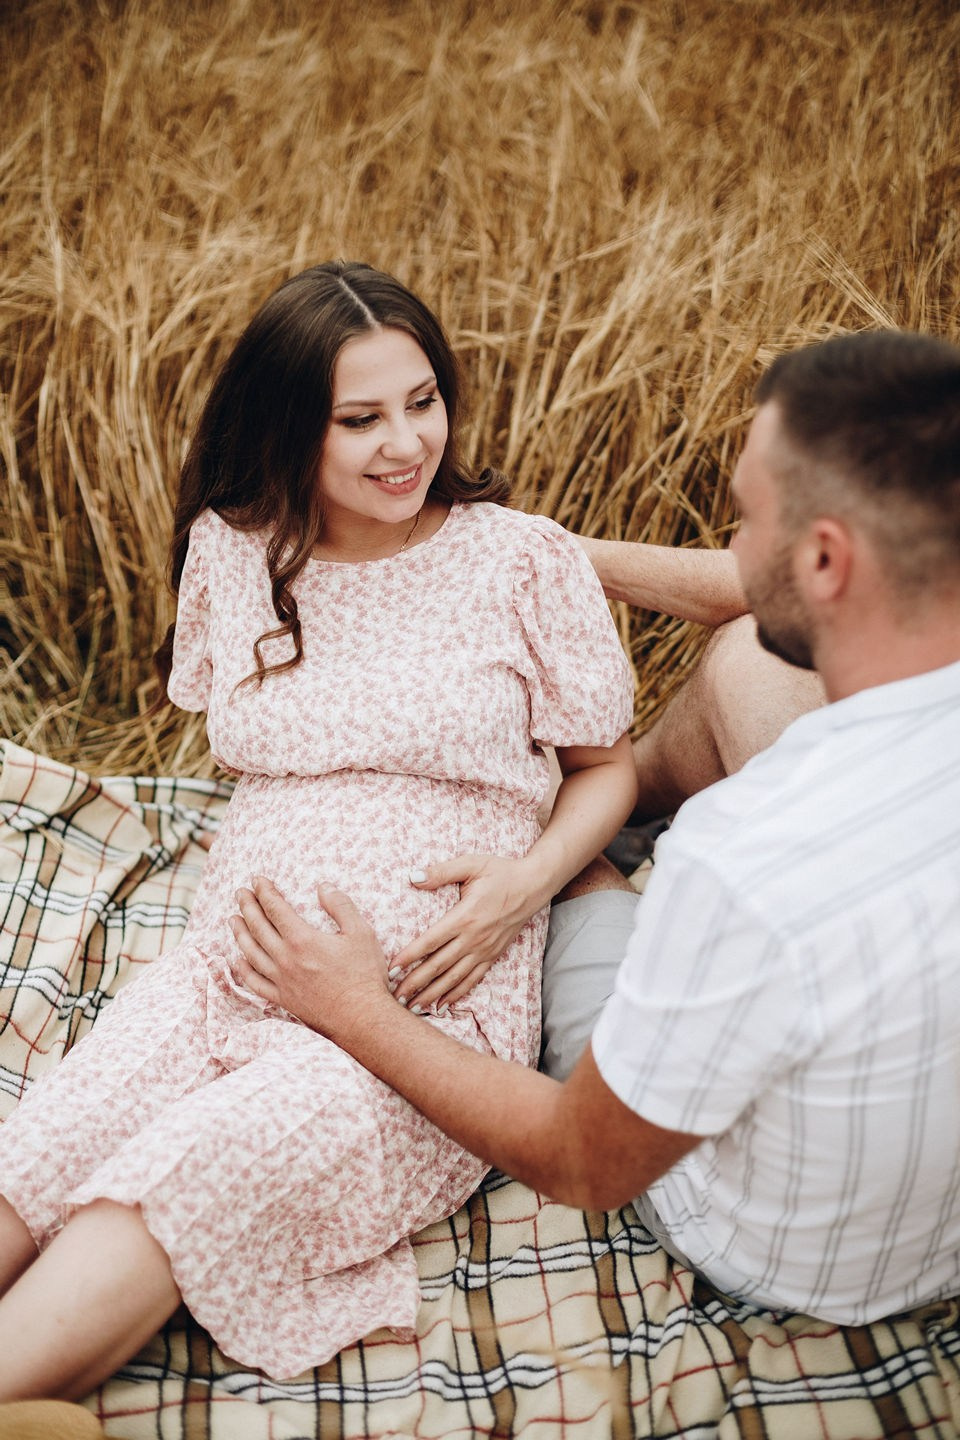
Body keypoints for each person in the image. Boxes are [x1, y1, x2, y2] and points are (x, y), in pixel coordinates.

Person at [0, 259, 647, 1398]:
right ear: (290, 424)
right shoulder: (238, 550)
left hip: (422, 1009)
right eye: (360, 419)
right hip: (233, 963)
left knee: (189, 1171)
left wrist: (525, 883)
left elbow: (606, 769)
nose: (406, 443)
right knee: (46, 1145)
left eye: (422, 401)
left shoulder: (522, 559)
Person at [230, 328, 960, 1326]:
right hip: (934, 1210)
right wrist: (516, 552)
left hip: (781, 1247)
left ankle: (591, 866)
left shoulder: (739, 859)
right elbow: (755, 599)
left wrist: (358, 1005)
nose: (733, 548)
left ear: (826, 557)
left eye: (744, 519)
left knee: (568, 862)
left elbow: (584, 1158)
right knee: (750, 659)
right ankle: (609, 819)